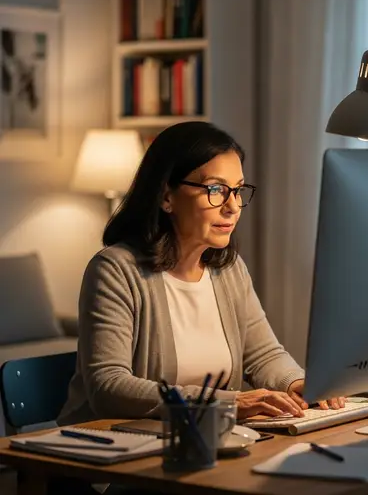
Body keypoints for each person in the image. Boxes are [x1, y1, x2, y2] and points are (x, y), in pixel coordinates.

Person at [58, 121, 344, 429]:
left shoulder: (228, 269)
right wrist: (227, 402)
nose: (233, 206)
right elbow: (109, 388)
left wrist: (298, 384)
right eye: (216, 190)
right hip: (108, 457)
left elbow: (262, 355)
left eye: (237, 190)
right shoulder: (115, 271)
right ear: (166, 196)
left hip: (204, 441)